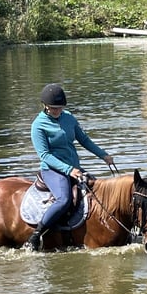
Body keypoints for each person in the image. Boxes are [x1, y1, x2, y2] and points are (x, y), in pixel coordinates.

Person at [25, 83, 114, 250]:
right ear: (45, 106)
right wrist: (68, 170)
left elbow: (84, 140)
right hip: (52, 170)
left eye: (60, 108)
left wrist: (103, 155)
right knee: (64, 199)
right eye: (53, 108)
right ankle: (36, 235)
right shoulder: (38, 125)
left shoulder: (69, 118)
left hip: (74, 168)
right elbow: (44, 155)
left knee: (98, 192)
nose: (57, 111)